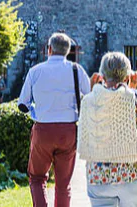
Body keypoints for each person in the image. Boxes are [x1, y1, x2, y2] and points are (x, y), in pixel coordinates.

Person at [18, 33, 92, 207]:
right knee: (63, 183)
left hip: (43, 130)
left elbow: (23, 103)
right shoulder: (76, 70)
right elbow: (89, 97)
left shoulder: (35, 71)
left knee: (37, 178)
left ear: (49, 49)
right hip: (68, 131)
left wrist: (34, 110)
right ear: (68, 51)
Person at [78, 52, 137, 207]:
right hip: (131, 174)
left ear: (101, 75)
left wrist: (92, 91)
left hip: (99, 175)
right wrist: (132, 88)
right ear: (128, 75)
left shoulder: (88, 100)